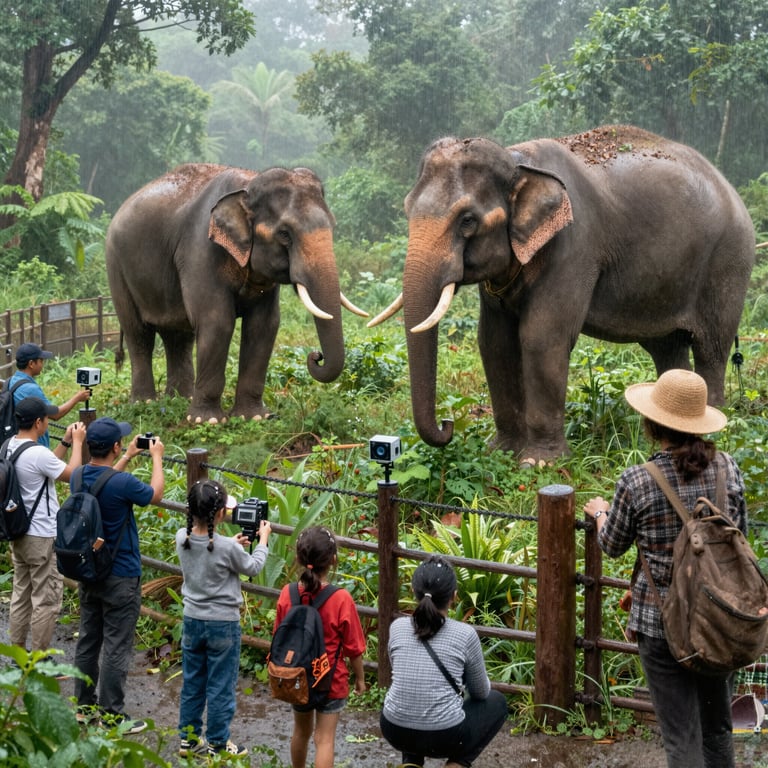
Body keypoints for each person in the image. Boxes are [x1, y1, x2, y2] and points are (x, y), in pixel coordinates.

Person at [584, 369, 746, 768]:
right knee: (717, 727)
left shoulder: (638, 480)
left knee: (680, 737)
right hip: (719, 617)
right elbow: (737, 533)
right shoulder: (727, 469)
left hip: (661, 624)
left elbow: (613, 544)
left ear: (652, 423)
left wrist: (601, 512)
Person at [72, 417, 164, 734]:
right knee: (116, 646)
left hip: (88, 570)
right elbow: (155, 494)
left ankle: (83, 707)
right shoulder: (123, 485)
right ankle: (112, 715)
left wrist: (126, 458)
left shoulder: (79, 476)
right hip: (120, 574)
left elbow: (105, 479)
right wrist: (155, 457)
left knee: (88, 639)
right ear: (115, 445)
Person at [380, 555, 508, 768]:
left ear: (414, 592)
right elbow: (480, 693)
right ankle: (455, 765)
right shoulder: (464, 634)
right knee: (497, 702)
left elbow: (403, 677)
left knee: (409, 699)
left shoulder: (397, 627)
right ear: (454, 596)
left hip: (394, 729)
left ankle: (411, 763)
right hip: (444, 736)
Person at [176, 480, 272, 758]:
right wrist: (262, 540)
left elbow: (207, 546)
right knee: (220, 686)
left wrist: (230, 543)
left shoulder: (181, 537)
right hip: (222, 625)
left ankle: (189, 740)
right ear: (220, 514)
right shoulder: (227, 549)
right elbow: (253, 567)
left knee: (193, 682)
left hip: (192, 620)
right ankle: (218, 743)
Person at [273, 526, 367, 768]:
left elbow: (277, 636)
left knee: (300, 732)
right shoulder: (341, 598)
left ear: (299, 558)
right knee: (324, 740)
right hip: (331, 680)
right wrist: (360, 679)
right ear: (333, 560)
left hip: (298, 676)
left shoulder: (288, 594)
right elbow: (354, 648)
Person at [5, 396, 85, 653]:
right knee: (46, 600)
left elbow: (47, 465)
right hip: (41, 536)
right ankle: (39, 660)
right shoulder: (37, 453)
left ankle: (18, 651)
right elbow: (72, 475)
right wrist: (78, 444)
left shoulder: (9, 445)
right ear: (39, 422)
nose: (49, 422)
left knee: (22, 593)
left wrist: (64, 442)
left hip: (18, 532)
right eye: (47, 419)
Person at [7, 342, 90, 447]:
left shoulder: (11, 381)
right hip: (35, 447)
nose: (43, 364)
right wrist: (77, 398)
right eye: (41, 361)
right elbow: (55, 414)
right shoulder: (30, 389)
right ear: (31, 364)